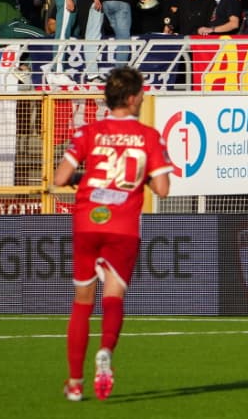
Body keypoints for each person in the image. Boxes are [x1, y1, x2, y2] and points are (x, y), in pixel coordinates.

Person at [52, 67, 173, 402]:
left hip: (87, 221)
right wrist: (143, 178)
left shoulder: (89, 131)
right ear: (132, 98)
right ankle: (105, 350)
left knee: (82, 301)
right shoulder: (149, 137)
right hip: (123, 225)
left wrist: (81, 178)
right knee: (114, 296)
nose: (143, 98)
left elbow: (60, 178)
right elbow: (163, 189)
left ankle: (75, 383)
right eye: (142, 93)